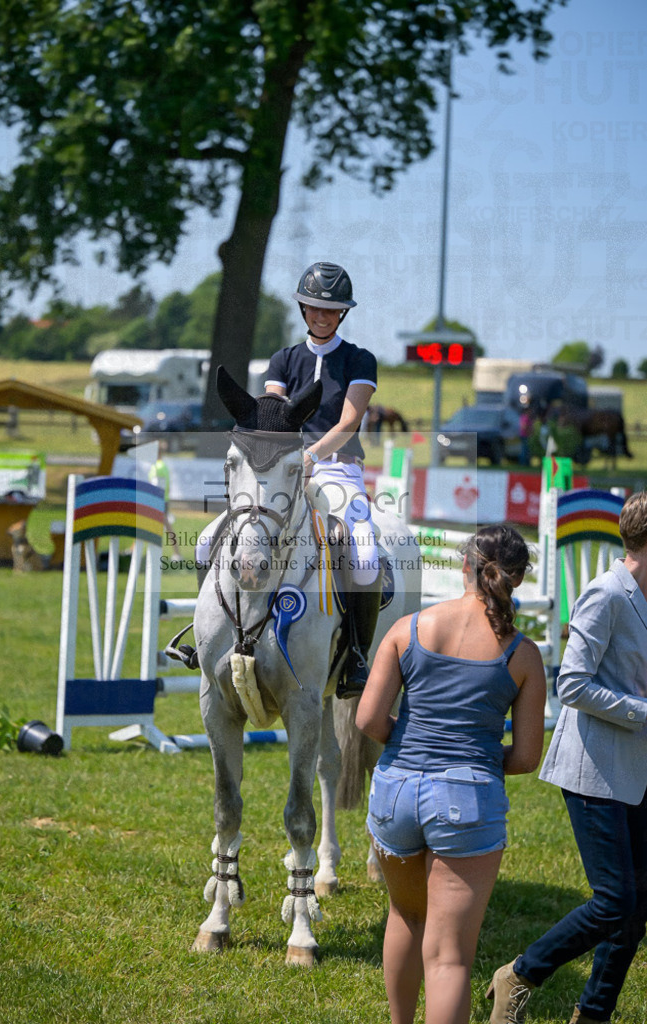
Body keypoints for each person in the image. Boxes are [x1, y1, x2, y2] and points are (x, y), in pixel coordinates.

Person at [356, 525, 546, 1024]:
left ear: (465, 566)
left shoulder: (408, 629)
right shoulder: (523, 654)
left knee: (405, 916)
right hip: (468, 798)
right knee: (449, 958)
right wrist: (473, 761)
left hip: (395, 791)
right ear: (517, 579)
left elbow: (368, 719)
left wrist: (410, 744)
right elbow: (527, 757)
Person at [488, 492, 647, 1024]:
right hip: (593, 769)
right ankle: (519, 975)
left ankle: (593, 1014)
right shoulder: (607, 594)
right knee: (615, 901)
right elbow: (572, 684)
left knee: (636, 908)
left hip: (635, 769)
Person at [264, 260, 380, 698]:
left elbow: (349, 422)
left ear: (342, 313)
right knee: (222, 537)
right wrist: (288, 458)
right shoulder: (283, 360)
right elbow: (273, 415)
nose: (322, 315)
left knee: (364, 555)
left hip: (339, 470)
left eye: (331, 309)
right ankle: (218, 633)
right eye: (314, 307)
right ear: (303, 308)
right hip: (286, 469)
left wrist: (312, 454)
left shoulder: (359, 359)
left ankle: (357, 654)